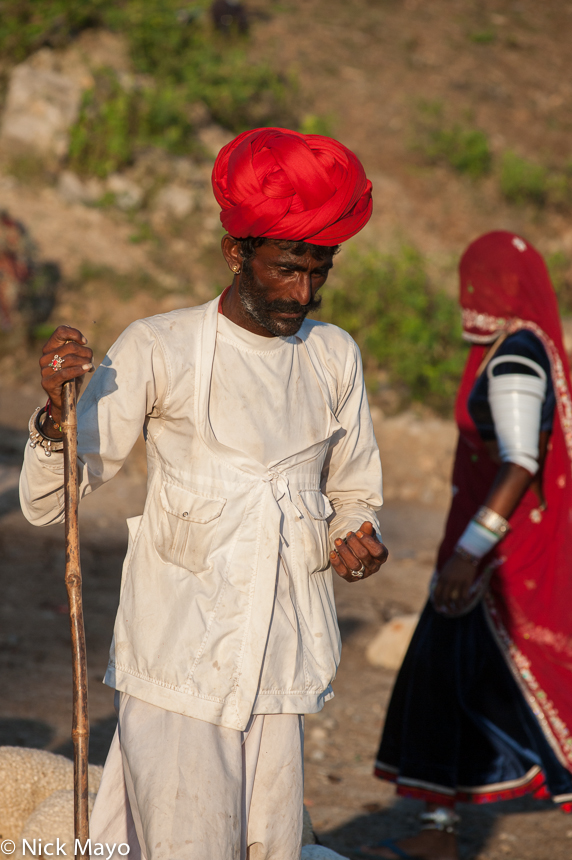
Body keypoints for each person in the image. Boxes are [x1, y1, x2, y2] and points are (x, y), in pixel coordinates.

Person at [20, 127, 388, 860]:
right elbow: (50, 502)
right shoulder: (161, 348)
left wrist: (358, 538)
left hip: (283, 664)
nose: (303, 291)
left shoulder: (332, 356)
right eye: (287, 267)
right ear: (237, 252)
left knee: (271, 844)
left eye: (320, 270)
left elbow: (355, 491)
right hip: (178, 664)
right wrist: (56, 421)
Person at [359, 231, 572, 860]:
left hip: (501, 561)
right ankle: (438, 831)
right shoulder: (509, 349)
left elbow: (520, 464)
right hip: (490, 551)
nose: (468, 296)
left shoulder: (513, 359)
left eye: (478, 280)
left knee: (539, 681)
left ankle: (438, 830)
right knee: (444, 682)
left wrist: (469, 551)